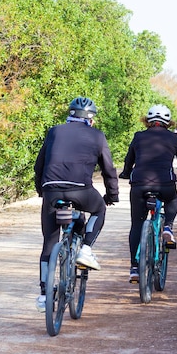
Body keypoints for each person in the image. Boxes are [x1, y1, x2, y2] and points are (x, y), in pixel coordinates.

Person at [33, 97, 119, 312]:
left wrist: (41, 191)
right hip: (81, 190)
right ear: (91, 119)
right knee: (98, 208)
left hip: (51, 190)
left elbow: (39, 165)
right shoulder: (97, 136)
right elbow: (109, 169)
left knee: (49, 244)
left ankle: (44, 295)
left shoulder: (54, 131)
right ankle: (86, 249)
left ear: (70, 116)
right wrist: (112, 195)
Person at [119, 105, 177, 283]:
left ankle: (134, 268)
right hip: (165, 184)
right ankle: (168, 227)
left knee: (136, 225)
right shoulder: (172, 137)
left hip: (139, 185)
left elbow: (129, 159)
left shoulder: (139, 136)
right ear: (168, 121)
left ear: (147, 121)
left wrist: (126, 173)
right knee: (172, 198)